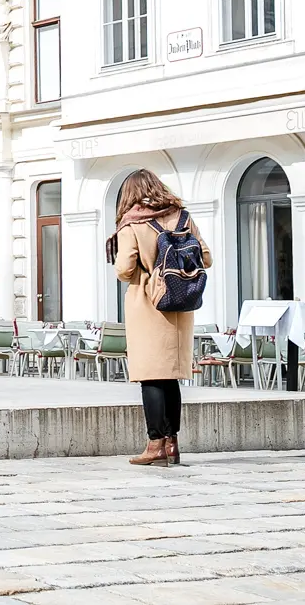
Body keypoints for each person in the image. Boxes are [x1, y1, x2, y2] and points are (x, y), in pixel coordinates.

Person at [113, 169, 211, 467]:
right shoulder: (182, 216)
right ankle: (172, 444)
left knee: (151, 376)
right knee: (171, 378)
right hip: (180, 304)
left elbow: (124, 269)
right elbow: (205, 257)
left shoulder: (133, 223)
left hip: (148, 303)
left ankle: (155, 444)